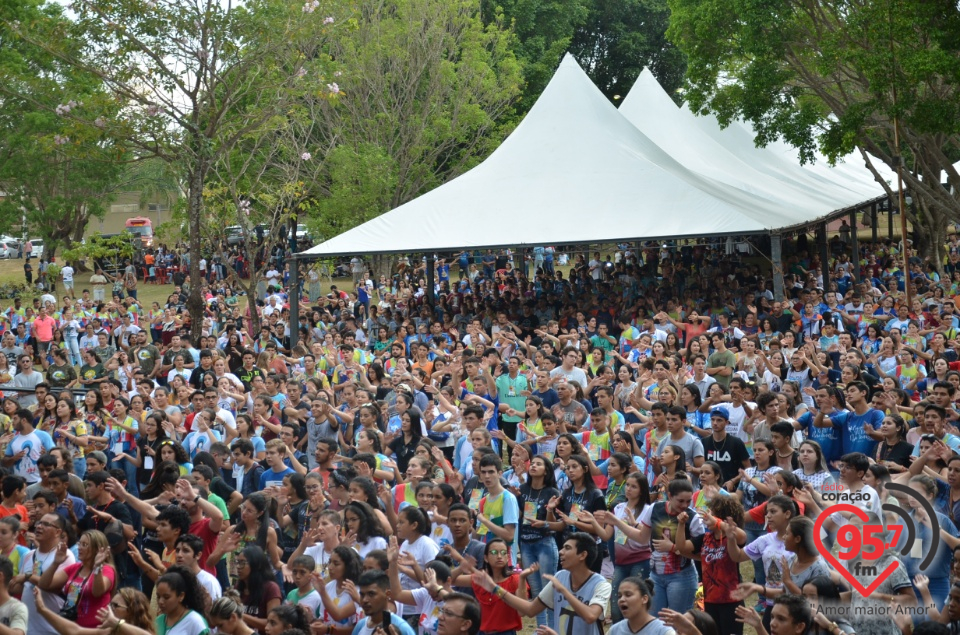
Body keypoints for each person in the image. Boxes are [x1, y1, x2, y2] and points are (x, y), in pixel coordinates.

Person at [472, 532, 611, 635]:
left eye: (567, 548)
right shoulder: (560, 576)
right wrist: (496, 589)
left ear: (582, 555)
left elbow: (591, 616)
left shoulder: (601, 585)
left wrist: (565, 592)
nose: (561, 552)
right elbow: (531, 610)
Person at [37, 529, 115, 628]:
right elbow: (43, 584)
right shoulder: (75, 568)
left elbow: (97, 592)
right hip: (72, 627)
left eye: (85, 545)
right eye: (79, 544)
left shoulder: (107, 570)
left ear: (97, 549)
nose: (79, 548)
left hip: (96, 629)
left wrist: (97, 567)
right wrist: (55, 563)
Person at [351, 569, 417, 635]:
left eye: (371, 594)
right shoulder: (360, 626)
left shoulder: (402, 628)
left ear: (387, 594)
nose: (365, 600)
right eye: (362, 595)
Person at [153, 566, 210, 635]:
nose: (160, 602)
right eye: (158, 597)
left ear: (181, 596)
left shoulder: (196, 622)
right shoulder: (158, 621)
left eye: (166, 597)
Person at [607, 577, 674, 635]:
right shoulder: (614, 630)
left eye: (628, 595)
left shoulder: (663, 631)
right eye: (619, 596)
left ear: (644, 599)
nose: (621, 599)